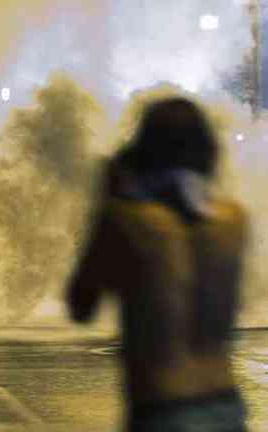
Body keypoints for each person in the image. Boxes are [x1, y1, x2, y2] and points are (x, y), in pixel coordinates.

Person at [66, 97, 249, 431]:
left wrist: (106, 199)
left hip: (162, 410)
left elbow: (81, 306)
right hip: (226, 406)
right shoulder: (233, 220)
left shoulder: (125, 219)